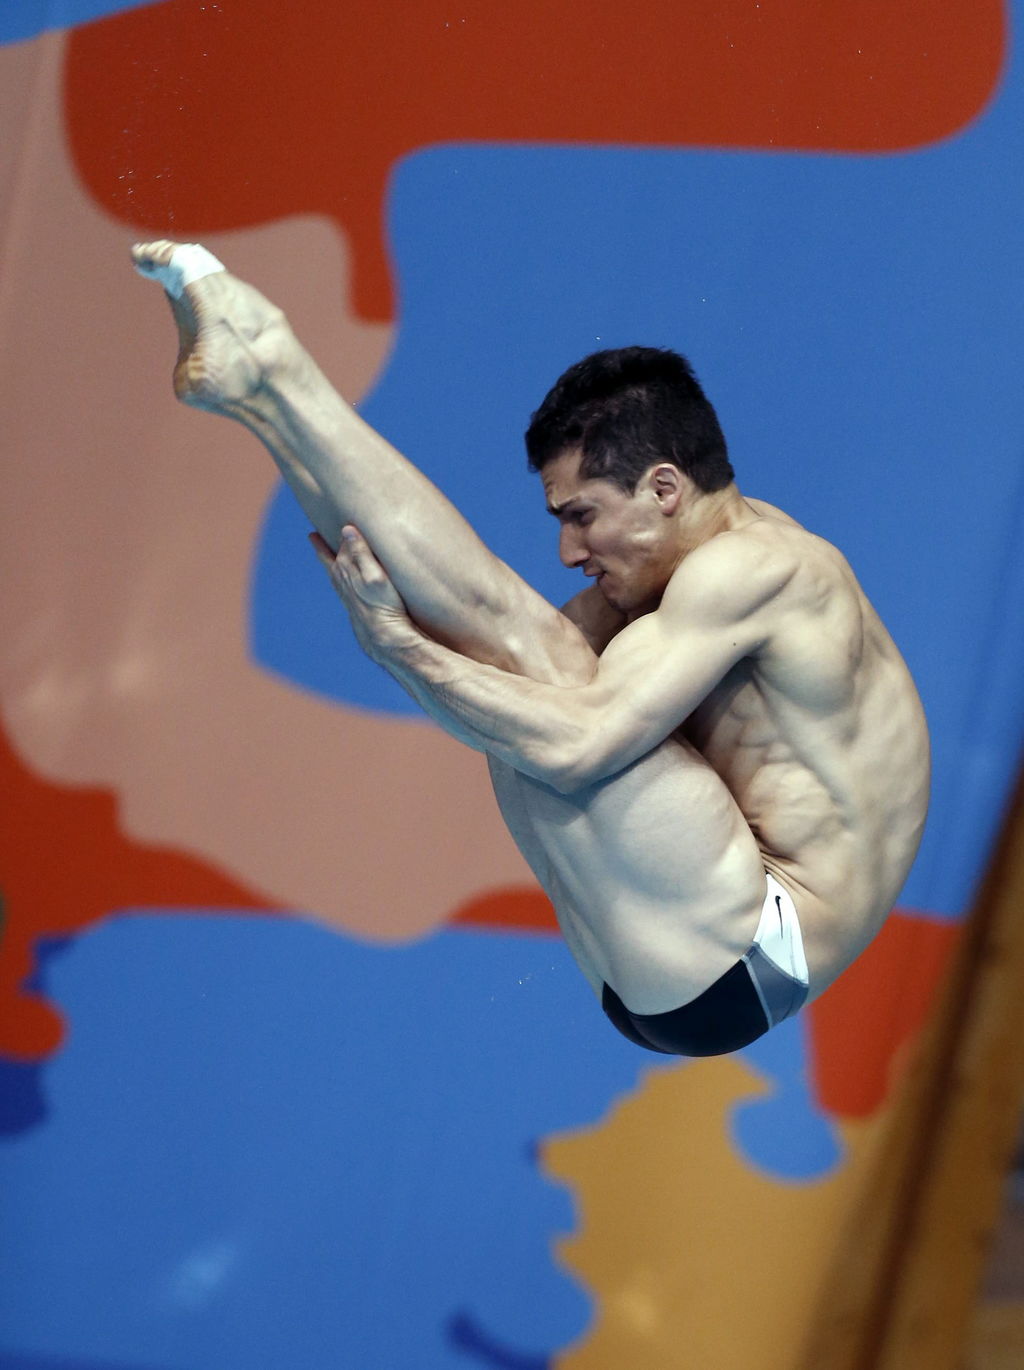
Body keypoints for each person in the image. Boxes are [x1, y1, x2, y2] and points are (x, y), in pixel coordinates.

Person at [133, 240, 930, 1056]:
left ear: (664, 487)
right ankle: (262, 398)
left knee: (535, 671)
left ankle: (273, 365)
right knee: (507, 650)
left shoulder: (761, 569)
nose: (568, 551)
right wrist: (416, 644)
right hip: (676, 960)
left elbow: (578, 746)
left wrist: (398, 651)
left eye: (582, 516)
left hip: (749, 952)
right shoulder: (688, 564)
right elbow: (477, 625)